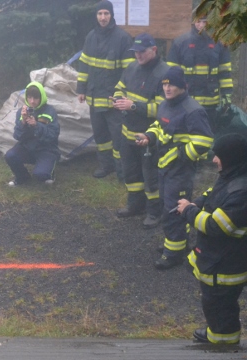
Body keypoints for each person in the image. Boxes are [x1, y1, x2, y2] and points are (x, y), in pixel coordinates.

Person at [134, 67, 214, 270]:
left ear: (182, 85)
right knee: (167, 206)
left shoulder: (193, 110)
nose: (167, 88)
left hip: (180, 170)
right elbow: (158, 126)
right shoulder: (165, 104)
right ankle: (176, 244)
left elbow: (203, 141)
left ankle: (174, 254)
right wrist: (148, 137)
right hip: (164, 166)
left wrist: (178, 156)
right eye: (164, 84)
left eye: (171, 84)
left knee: (174, 210)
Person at [174, 133, 247, 344]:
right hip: (219, 258)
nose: (214, 160)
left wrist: (189, 211)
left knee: (219, 305)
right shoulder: (234, 175)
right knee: (215, 303)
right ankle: (220, 334)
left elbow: (216, 226)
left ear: (232, 158)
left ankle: (223, 342)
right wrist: (197, 202)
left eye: (218, 156)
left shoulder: (241, 192)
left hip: (224, 265)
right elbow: (213, 192)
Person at [112, 33, 169, 229]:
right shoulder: (131, 67)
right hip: (128, 133)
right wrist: (118, 99)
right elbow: (119, 87)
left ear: (154, 49)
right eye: (135, 51)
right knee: (131, 174)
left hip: (149, 137)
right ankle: (135, 205)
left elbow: (163, 109)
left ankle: (155, 212)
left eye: (142, 51)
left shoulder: (165, 73)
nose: (138, 55)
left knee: (150, 176)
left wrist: (134, 106)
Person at [77, 0, 134, 179]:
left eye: (106, 14)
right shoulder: (91, 37)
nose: (103, 17)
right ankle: (105, 166)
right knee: (100, 137)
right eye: (100, 14)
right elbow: (84, 65)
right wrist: (81, 89)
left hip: (114, 100)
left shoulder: (122, 38)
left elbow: (129, 71)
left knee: (118, 138)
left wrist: (124, 95)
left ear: (111, 15)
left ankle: (122, 171)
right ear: (96, 16)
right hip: (94, 97)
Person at [167, 16, 233, 134]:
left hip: (212, 105)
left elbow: (225, 73)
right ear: (193, 22)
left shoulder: (220, 43)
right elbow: (171, 75)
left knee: (209, 137)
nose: (202, 25)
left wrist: (227, 95)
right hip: (186, 102)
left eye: (205, 22)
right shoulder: (180, 42)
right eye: (199, 21)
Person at [5, 81, 60, 186]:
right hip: (28, 148)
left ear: (41, 97)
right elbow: (17, 136)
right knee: (10, 155)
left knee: (40, 175)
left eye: (35, 98)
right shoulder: (22, 112)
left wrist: (37, 125)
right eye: (29, 98)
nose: (32, 101)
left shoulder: (50, 111)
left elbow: (53, 135)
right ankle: (22, 177)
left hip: (46, 150)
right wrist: (23, 123)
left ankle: (49, 173)